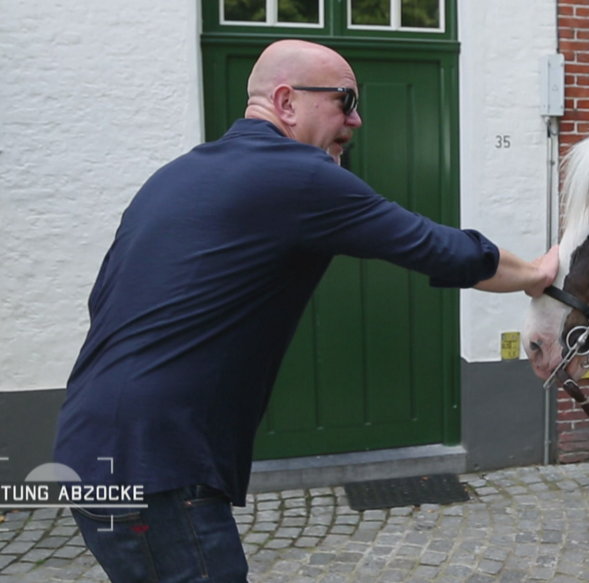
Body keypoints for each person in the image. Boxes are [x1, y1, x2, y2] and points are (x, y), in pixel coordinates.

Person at [52, 39, 559, 583]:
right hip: (157, 463)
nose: (357, 119)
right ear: (286, 102)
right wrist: (538, 273)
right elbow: (439, 248)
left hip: (91, 448)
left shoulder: (171, 177)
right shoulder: (298, 176)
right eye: (345, 100)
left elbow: (101, 300)